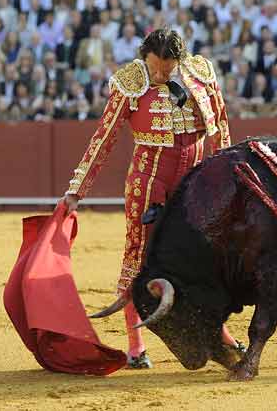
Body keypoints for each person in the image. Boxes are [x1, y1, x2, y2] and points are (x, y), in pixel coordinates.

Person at [60, 29, 238, 369]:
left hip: (195, 183)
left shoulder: (200, 72)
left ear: (180, 61)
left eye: (166, 70)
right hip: (149, 182)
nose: (159, 76)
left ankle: (222, 334)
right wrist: (76, 190)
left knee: (206, 259)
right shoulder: (130, 81)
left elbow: (222, 130)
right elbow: (103, 139)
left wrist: (227, 178)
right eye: (155, 68)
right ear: (145, 57)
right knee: (139, 258)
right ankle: (136, 345)